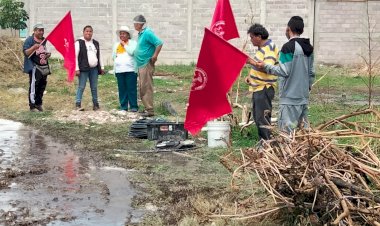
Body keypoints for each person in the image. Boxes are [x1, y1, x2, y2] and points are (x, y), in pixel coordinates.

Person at [257, 16, 315, 133]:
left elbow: (284, 71)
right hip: (303, 97)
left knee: (286, 132)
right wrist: (306, 88)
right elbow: (311, 72)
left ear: (289, 29)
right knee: (303, 133)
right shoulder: (309, 48)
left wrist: (265, 66)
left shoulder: (287, 47)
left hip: (289, 98)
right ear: (302, 30)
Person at [245, 24, 279, 141]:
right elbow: (259, 66)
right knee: (258, 116)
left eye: (252, 37)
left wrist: (250, 62)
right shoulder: (262, 49)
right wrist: (250, 76)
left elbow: (267, 67)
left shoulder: (269, 48)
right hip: (258, 87)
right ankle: (264, 141)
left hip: (265, 87)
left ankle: (266, 144)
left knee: (262, 117)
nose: (251, 40)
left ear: (259, 37)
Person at [133, 15, 163, 117]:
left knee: (146, 87)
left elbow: (159, 43)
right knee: (142, 87)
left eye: (135, 23)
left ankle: (150, 110)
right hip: (141, 64)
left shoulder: (147, 33)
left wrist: (155, 55)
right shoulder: (141, 34)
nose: (134, 25)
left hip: (146, 63)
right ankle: (147, 108)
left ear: (140, 24)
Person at [75, 25, 105, 111]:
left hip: (94, 69)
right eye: (87, 31)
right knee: (81, 86)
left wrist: (102, 67)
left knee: (94, 87)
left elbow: (100, 56)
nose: (88, 33)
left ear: (92, 33)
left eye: (90, 31)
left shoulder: (95, 43)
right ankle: (78, 104)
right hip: (83, 69)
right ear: (83, 32)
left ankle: (95, 104)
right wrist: (76, 69)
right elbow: (75, 56)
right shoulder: (79, 42)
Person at [23, 23, 51, 112]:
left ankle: (39, 104)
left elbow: (43, 51)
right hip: (35, 67)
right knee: (34, 86)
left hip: (44, 66)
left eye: (42, 30)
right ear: (34, 31)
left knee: (42, 86)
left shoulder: (44, 40)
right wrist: (33, 47)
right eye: (39, 30)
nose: (41, 32)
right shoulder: (30, 40)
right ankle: (32, 106)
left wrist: (47, 55)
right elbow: (26, 53)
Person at [112, 26, 138, 112]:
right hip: (119, 70)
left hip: (130, 70)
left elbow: (132, 52)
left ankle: (133, 106)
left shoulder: (133, 43)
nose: (122, 35)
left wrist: (124, 45)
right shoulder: (116, 44)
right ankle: (123, 106)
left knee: (131, 88)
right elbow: (114, 56)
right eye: (121, 34)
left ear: (128, 35)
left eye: (124, 33)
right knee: (122, 89)